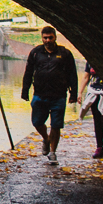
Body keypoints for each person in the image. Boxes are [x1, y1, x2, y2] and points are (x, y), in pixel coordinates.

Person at [21, 26, 78, 165]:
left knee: (56, 125)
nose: (47, 40)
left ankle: (52, 152)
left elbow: (72, 74)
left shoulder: (64, 53)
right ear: (42, 38)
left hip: (58, 95)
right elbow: (28, 72)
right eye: (45, 38)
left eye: (50, 37)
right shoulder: (36, 53)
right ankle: (46, 139)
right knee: (37, 122)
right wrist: (25, 90)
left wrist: (73, 93)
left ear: (55, 37)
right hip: (40, 94)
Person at [79, 61, 103, 158]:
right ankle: (99, 148)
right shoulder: (90, 61)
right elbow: (86, 77)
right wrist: (80, 92)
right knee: (97, 121)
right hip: (94, 92)